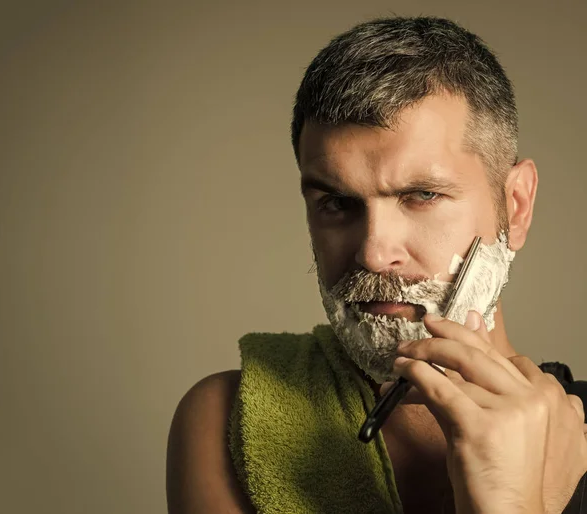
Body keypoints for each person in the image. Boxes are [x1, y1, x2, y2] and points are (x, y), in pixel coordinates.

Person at [166, 16, 587, 514]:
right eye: (337, 204)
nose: (371, 253)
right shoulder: (226, 422)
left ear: (515, 205)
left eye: (422, 195)